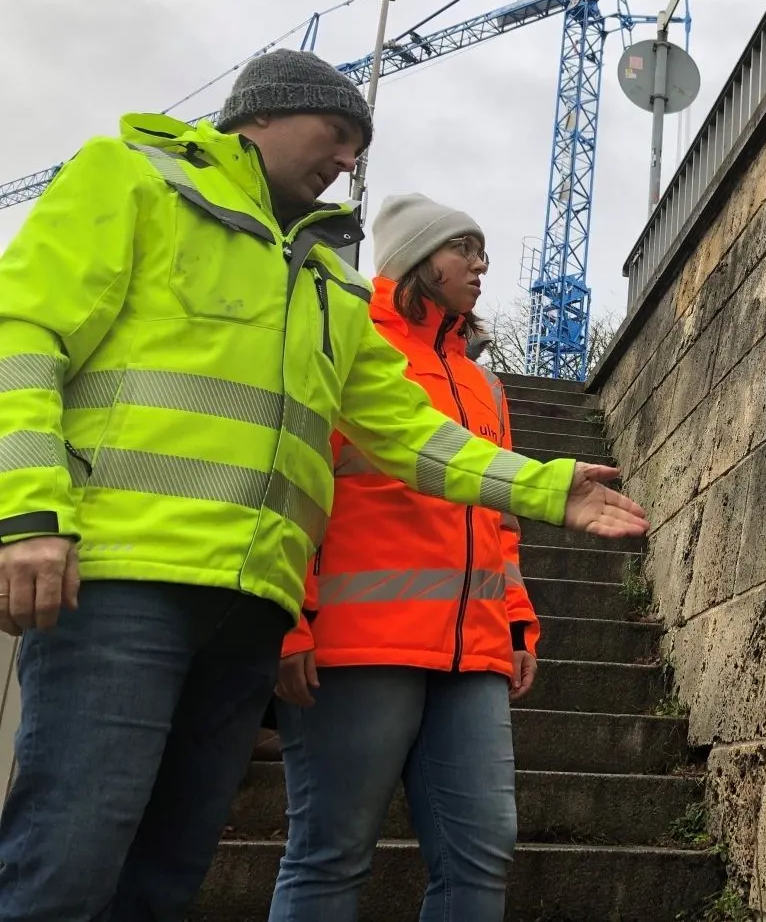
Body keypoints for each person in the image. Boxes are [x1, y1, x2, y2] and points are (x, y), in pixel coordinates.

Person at [0, 50, 647, 921]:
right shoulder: (131, 179)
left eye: (357, 147)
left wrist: (545, 487)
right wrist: (28, 510)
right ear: (261, 114)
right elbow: (23, 331)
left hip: (248, 609)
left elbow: (410, 434)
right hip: (122, 580)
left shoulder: (327, 280)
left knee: (169, 867)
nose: (348, 161)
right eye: (337, 135)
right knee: (67, 856)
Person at [269, 194, 539, 919]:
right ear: (419, 261)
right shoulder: (354, 344)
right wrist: (290, 617)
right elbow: (295, 482)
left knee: (484, 852)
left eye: (482, 250)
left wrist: (515, 621)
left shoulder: (486, 383)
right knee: (330, 852)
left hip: (472, 653)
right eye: (463, 249)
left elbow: (498, 517)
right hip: (357, 645)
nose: (482, 264)